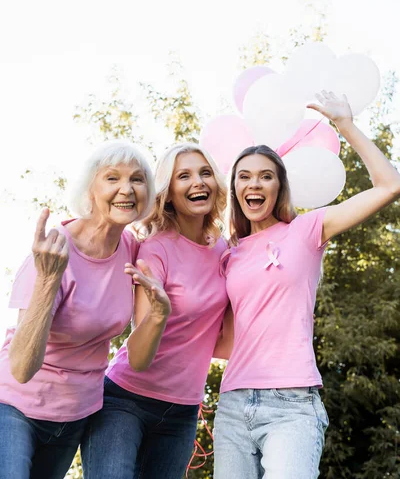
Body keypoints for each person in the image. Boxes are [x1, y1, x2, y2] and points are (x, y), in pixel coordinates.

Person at [213, 91, 400, 479]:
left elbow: (388, 186)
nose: (255, 184)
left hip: (292, 405)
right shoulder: (229, 256)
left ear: (279, 186)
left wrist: (345, 124)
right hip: (232, 404)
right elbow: (226, 340)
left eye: (266, 176)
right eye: (244, 176)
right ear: (235, 190)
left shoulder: (307, 229)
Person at [0, 140, 159, 479]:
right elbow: (21, 368)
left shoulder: (131, 248)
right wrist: (48, 281)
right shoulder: (54, 251)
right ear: (90, 189)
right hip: (13, 408)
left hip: (75, 415)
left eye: (137, 178)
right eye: (112, 178)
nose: (126, 189)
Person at [81, 142, 229, 479]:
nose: (199, 182)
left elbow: (222, 339)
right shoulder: (155, 249)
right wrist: (160, 314)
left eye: (206, 173)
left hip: (183, 411)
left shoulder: (223, 249)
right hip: (125, 401)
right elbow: (137, 358)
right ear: (169, 192)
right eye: (184, 176)